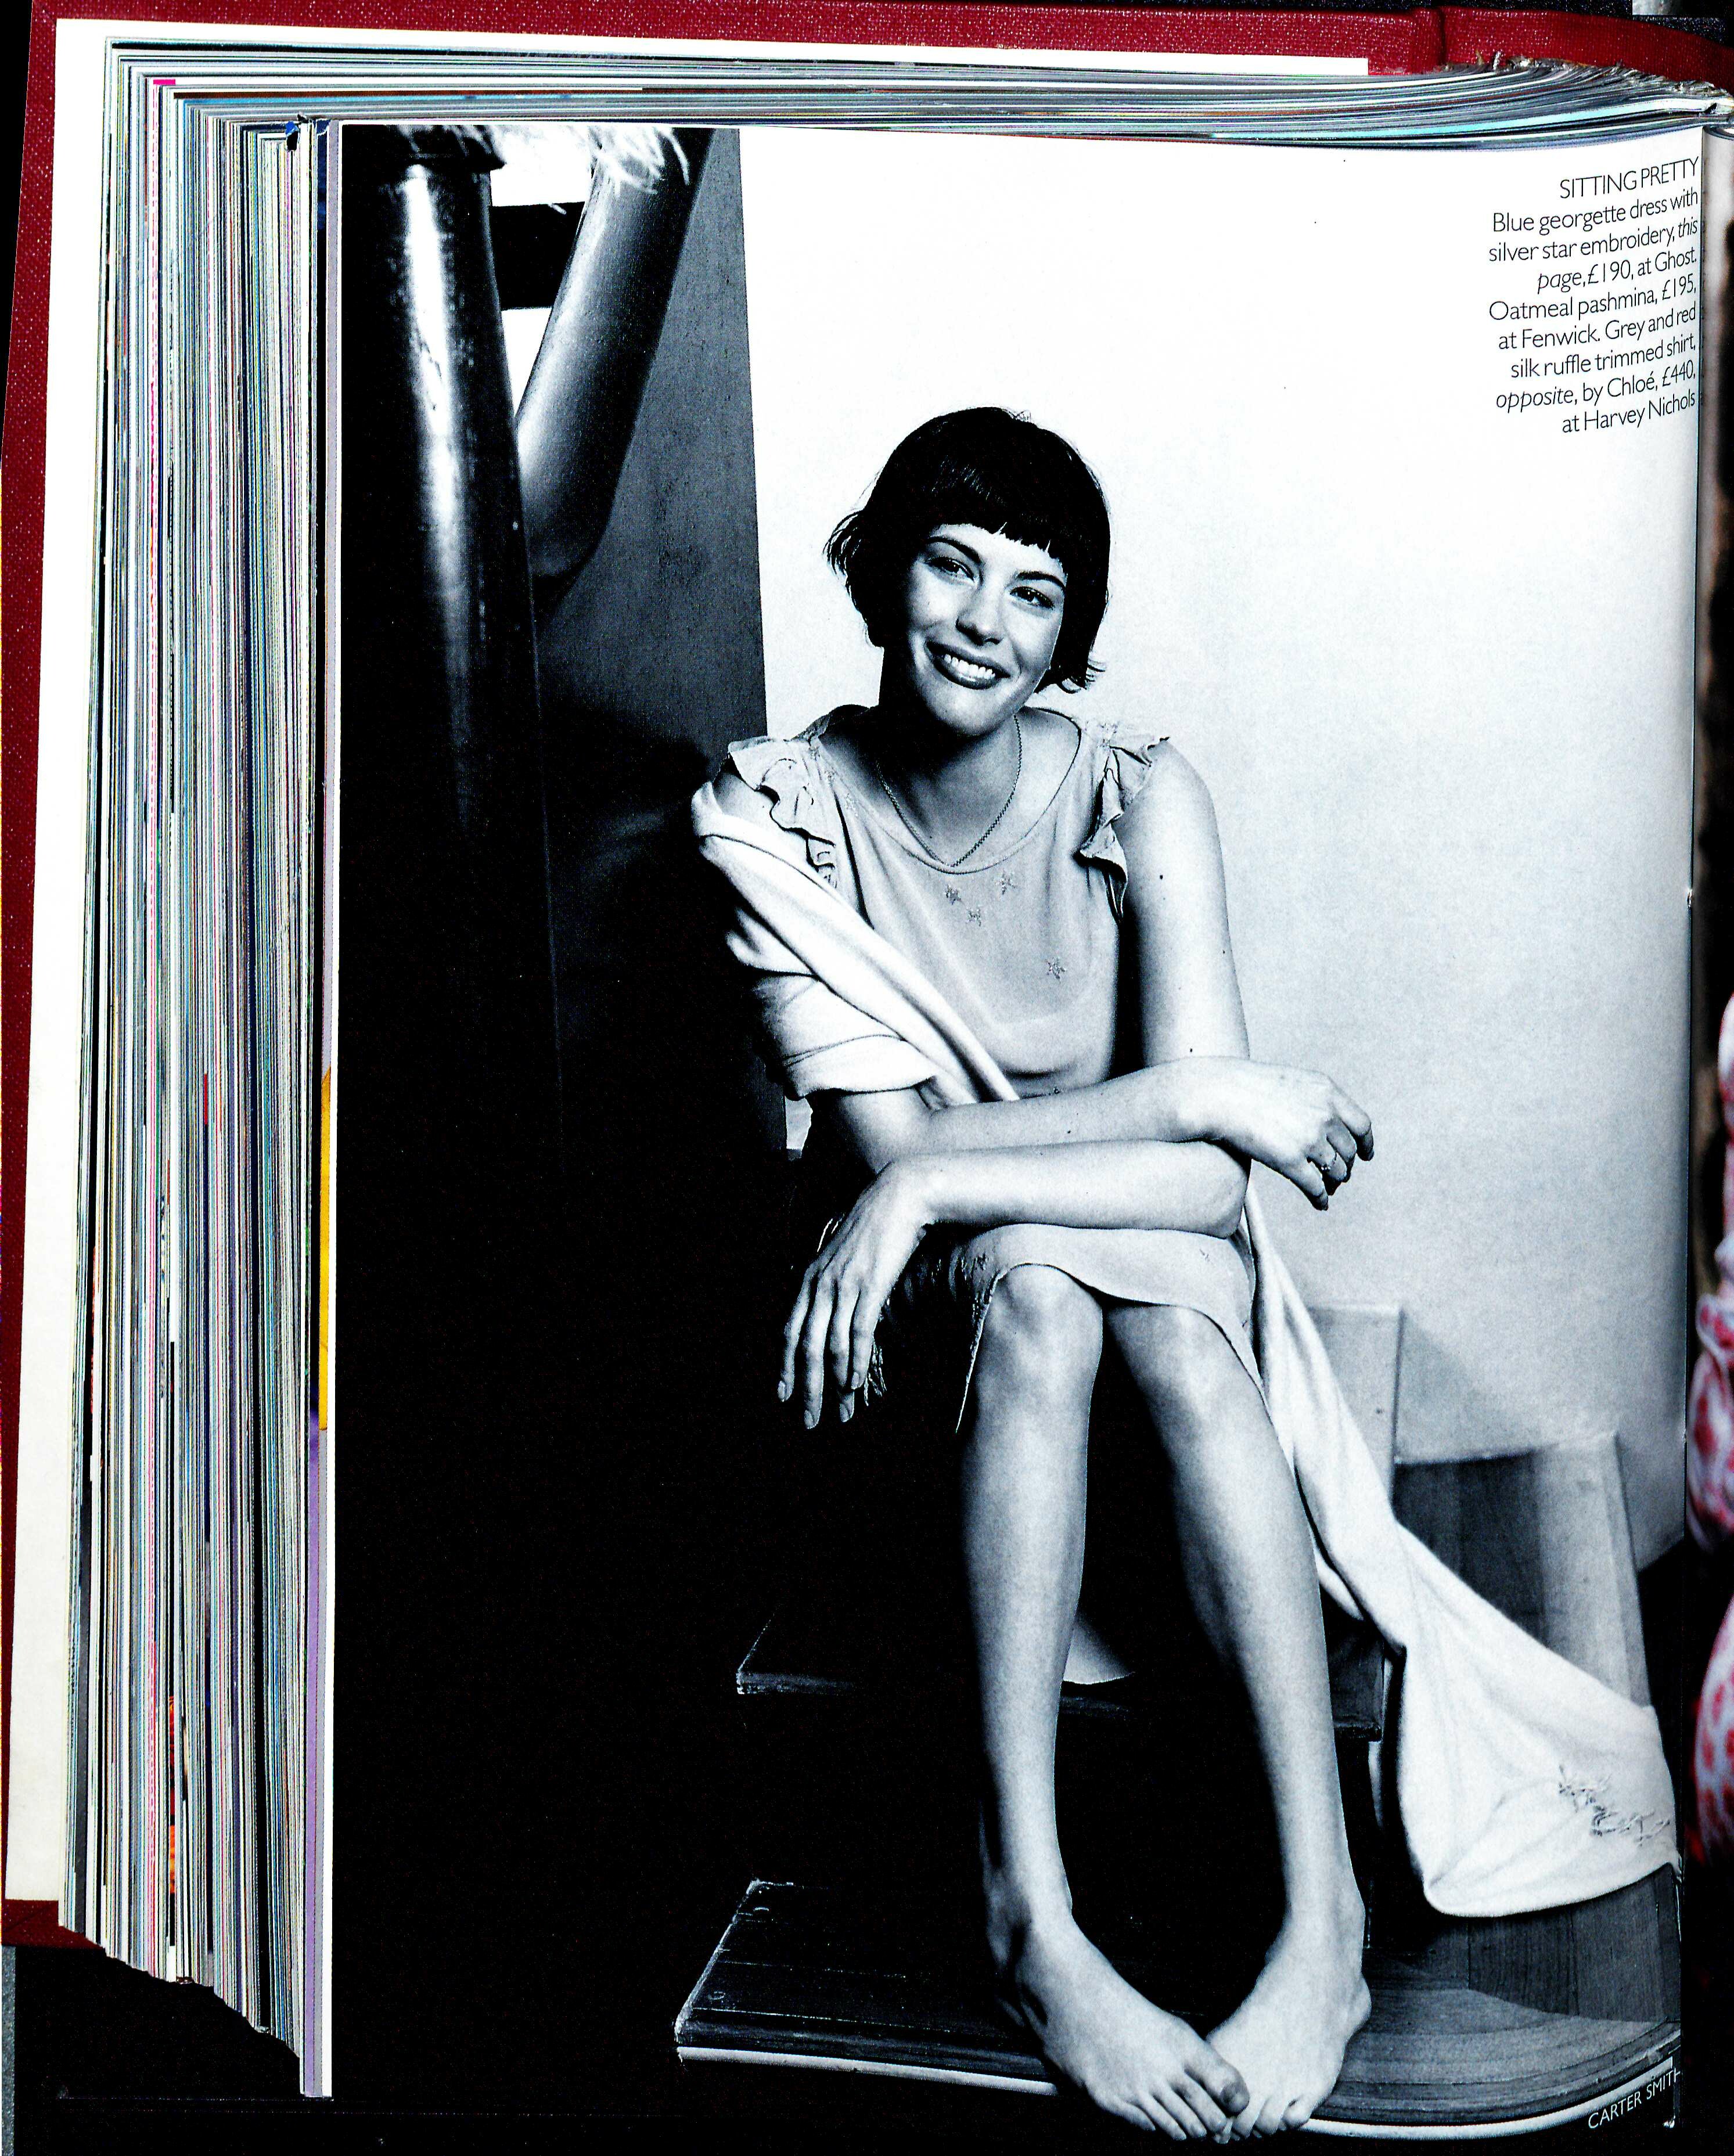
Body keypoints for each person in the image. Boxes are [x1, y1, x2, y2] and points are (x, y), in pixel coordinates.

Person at [692, 406, 1677, 2137]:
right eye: (949, 566)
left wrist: (954, 1178)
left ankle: (1323, 1918)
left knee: (1167, 1327)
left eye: (1034, 592)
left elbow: (1204, 1189)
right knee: (1038, 1292)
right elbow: (907, 1157)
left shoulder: (1140, 793)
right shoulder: (776, 817)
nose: (982, 623)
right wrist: (1166, 1106)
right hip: (938, 1330)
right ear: (880, 572)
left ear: (1072, 630)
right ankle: (1031, 1909)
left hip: (1134, 1275)